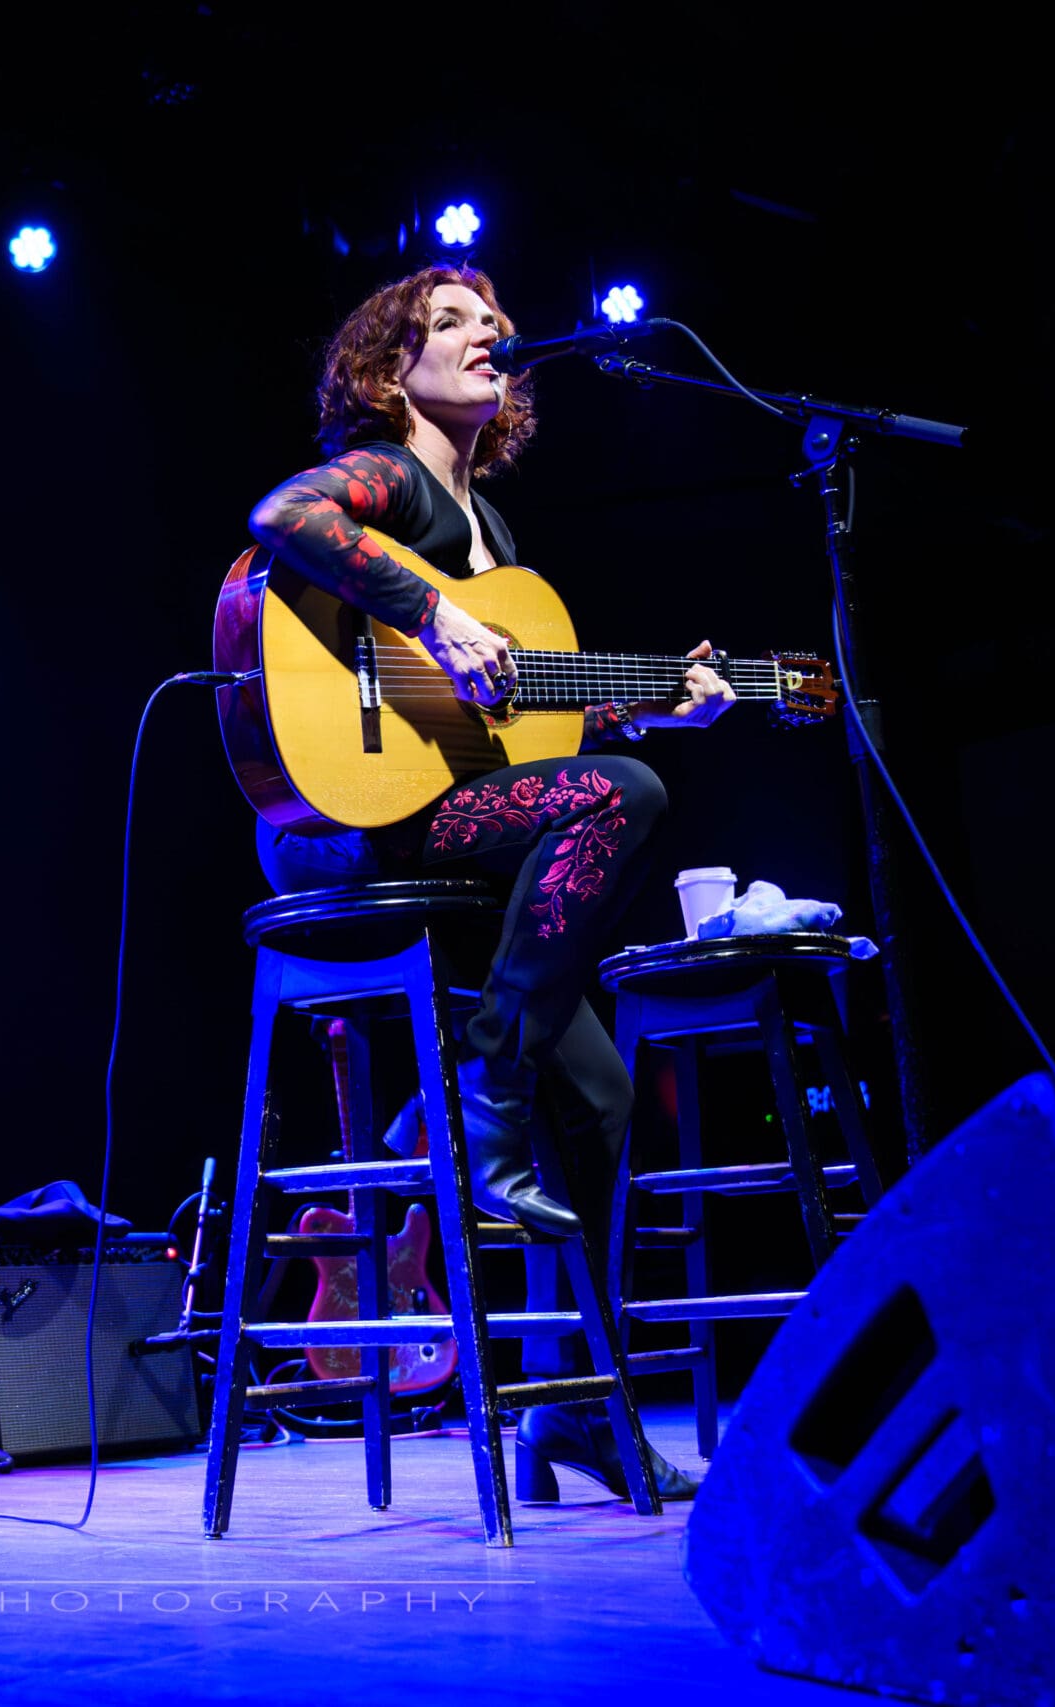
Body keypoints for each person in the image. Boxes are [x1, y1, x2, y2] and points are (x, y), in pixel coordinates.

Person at [243, 265, 731, 1501]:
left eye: (492, 322)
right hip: (350, 829)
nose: (488, 335)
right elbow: (283, 515)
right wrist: (431, 614)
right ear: (386, 367)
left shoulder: (495, 538)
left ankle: (575, 1407)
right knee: (621, 796)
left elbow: (513, 734)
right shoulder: (388, 479)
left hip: (450, 828)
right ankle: (491, 1081)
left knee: (606, 1099)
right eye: (449, 322)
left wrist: (649, 704)